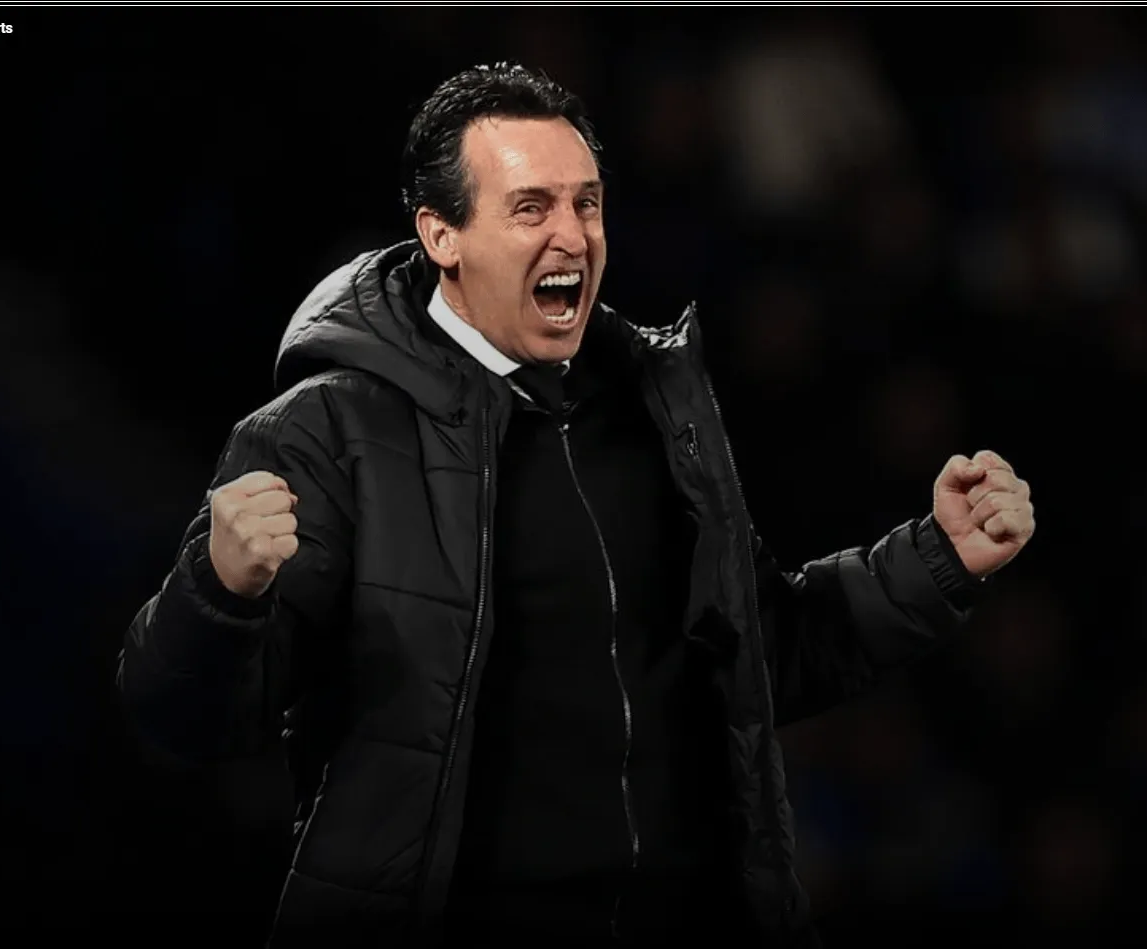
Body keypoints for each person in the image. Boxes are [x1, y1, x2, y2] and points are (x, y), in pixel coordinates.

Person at [117, 62, 1037, 949]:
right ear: (441, 235)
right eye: (531, 207)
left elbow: (759, 656)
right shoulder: (325, 432)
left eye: (586, 203)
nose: (572, 235)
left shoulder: (657, 406)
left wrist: (935, 559)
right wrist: (217, 591)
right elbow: (184, 719)